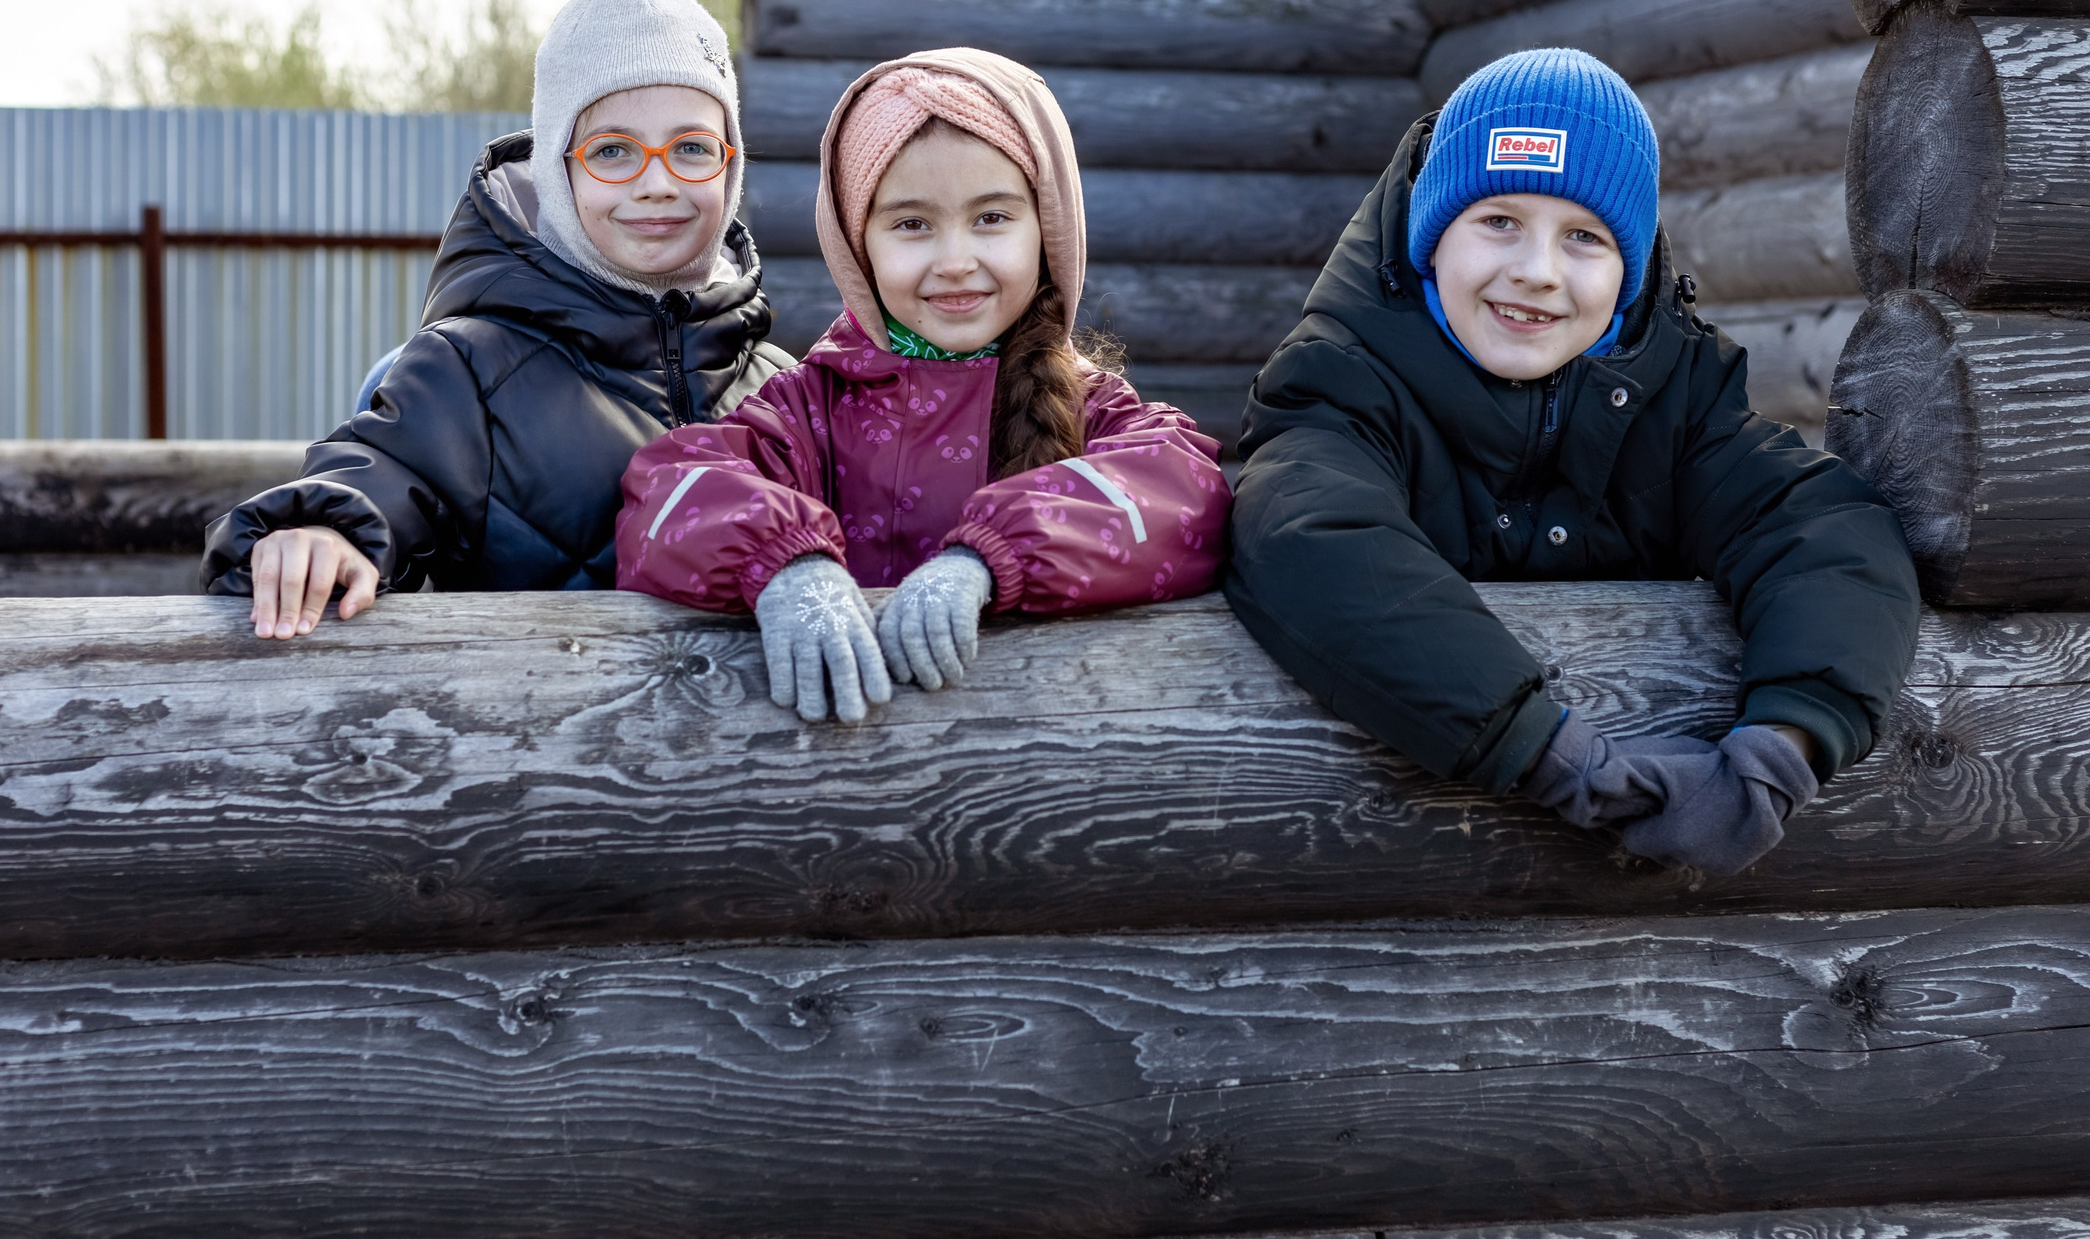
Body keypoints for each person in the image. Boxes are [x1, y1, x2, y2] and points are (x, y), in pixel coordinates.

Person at [1225, 48, 1921, 874]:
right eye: (1498, 221)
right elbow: (1309, 531)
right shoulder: (1341, 382)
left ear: (1630, 270)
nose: (1537, 271)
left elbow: (1826, 529)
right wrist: (1558, 758)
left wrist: (1783, 749)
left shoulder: (1677, 405)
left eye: (1584, 237)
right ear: (1430, 235)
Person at [616, 48, 1231, 724]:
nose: (956, 261)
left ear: (1047, 230)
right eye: (912, 224)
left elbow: (1188, 494)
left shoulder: (1098, 413)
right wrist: (786, 564)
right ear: (860, 246)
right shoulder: (811, 409)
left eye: (992, 217)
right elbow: (667, 496)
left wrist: (988, 556)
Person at [202, 0, 790, 634]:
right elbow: (386, 469)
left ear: (731, 163)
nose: (656, 181)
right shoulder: (469, 371)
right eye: (614, 151)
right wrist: (323, 530)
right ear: (558, 172)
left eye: (690, 147)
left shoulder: (780, 381)